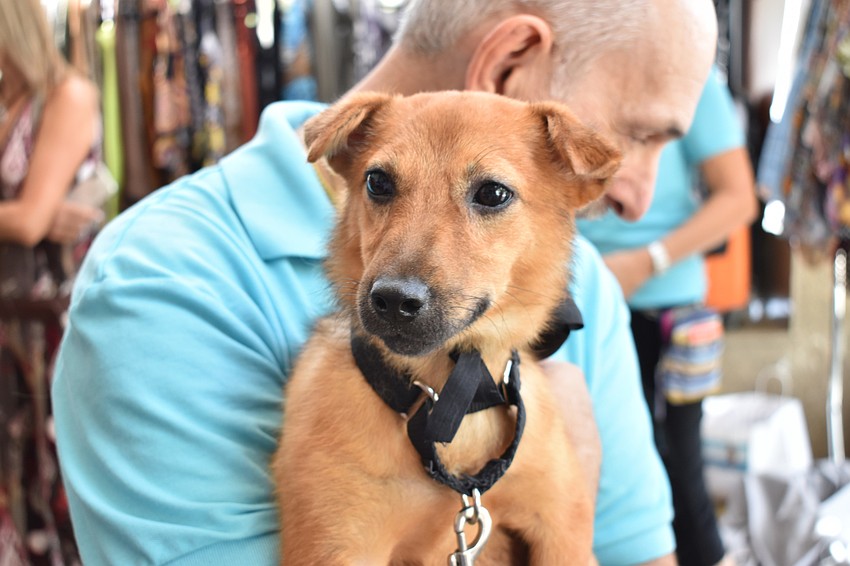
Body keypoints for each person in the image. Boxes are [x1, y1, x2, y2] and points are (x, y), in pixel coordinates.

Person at [51, 0, 718, 564]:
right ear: (510, 64)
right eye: (635, 134)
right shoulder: (158, 289)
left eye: (490, 196)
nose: (638, 198)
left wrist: (567, 486)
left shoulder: (575, 279)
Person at [578, 67, 758, 566]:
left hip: (666, 311)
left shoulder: (690, 79)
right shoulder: (575, 71)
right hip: (578, 302)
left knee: (676, 472)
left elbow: (739, 198)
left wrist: (647, 262)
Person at [0, 0, 105, 563]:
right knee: (19, 472)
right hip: (12, 319)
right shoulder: (11, 102)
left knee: (54, 471)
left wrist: (29, 215)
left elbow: (30, 220)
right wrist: (24, 215)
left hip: (50, 323)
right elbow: (24, 217)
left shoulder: (68, 95)